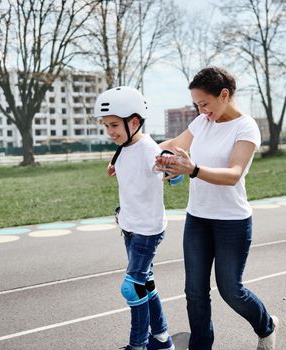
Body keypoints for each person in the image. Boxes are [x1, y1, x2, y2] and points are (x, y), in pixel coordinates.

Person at [155, 67, 279, 350]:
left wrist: (193, 169)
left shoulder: (245, 127)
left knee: (231, 290)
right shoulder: (202, 123)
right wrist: (131, 151)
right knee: (195, 292)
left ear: (224, 95)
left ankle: (267, 325)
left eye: (205, 104)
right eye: (197, 105)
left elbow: (234, 173)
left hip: (231, 222)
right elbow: (174, 145)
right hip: (197, 219)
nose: (201, 110)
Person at [94, 86, 174, 350]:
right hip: (130, 227)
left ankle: (138, 346)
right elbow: (129, 169)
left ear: (135, 122)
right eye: (106, 126)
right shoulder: (124, 147)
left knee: (131, 288)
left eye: (114, 125)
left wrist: (173, 169)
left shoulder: (149, 148)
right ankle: (162, 340)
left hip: (147, 231)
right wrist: (114, 164)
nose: (110, 132)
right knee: (145, 284)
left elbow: (170, 171)